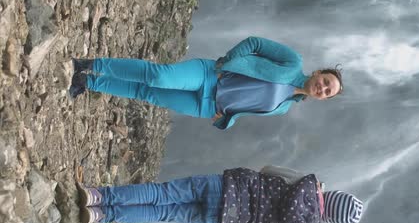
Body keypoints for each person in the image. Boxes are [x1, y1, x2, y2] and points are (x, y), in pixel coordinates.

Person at [69, 36, 343, 130]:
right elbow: (255, 43)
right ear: (319, 72)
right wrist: (226, 62)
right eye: (326, 81)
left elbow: (246, 108)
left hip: (207, 106)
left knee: (148, 94)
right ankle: (91, 65)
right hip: (211, 75)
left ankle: (87, 84)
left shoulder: (284, 108)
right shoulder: (293, 62)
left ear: (322, 99)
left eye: (327, 92)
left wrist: (225, 120)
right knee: (159, 76)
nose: (323, 88)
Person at [76, 165, 363, 223]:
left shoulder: (308, 182)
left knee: (162, 194)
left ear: (334, 194)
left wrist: (313, 185)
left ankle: (98, 196)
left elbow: (268, 170)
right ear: (330, 219)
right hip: (226, 217)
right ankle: (101, 216)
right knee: (162, 214)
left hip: (227, 187)